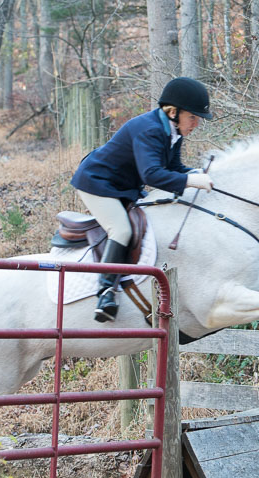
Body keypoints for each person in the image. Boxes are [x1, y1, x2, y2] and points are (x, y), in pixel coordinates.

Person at [71, 77, 215, 322]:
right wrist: (191, 181)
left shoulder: (172, 131)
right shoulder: (149, 130)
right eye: (193, 117)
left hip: (124, 187)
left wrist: (198, 173)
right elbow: (152, 174)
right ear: (173, 112)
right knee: (122, 230)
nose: (196, 123)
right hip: (97, 183)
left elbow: (174, 167)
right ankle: (106, 292)